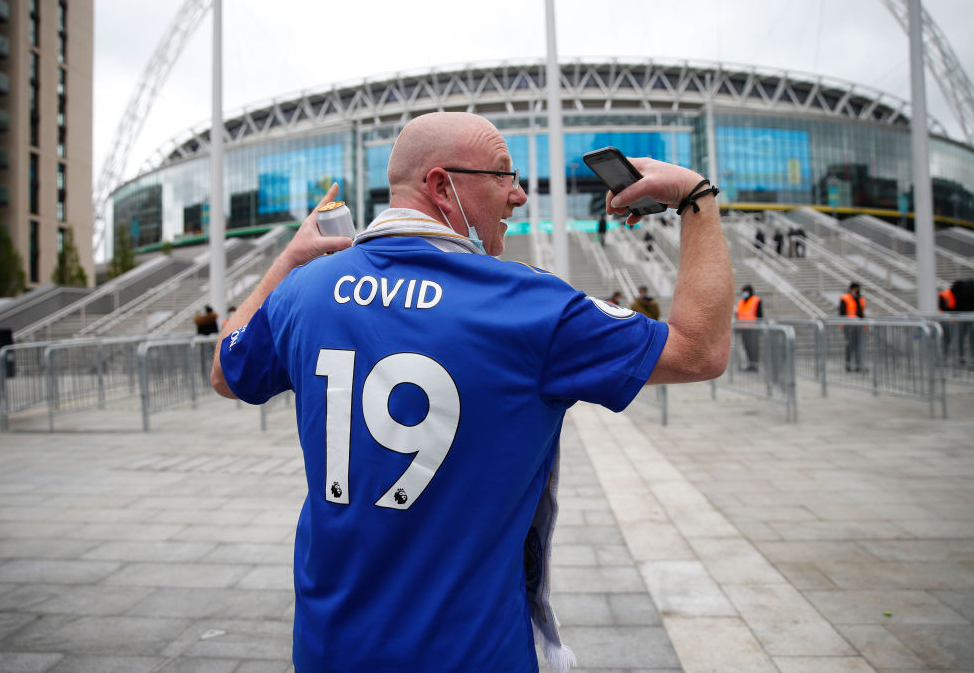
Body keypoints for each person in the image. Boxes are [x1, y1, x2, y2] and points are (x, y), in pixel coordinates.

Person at [211, 112, 733, 672]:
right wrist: (694, 199)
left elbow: (225, 370)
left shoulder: (305, 290)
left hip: (328, 649)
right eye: (503, 176)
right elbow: (701, 351)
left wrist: (290, 259)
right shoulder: (528, 306)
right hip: (472, 653)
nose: (519, 195)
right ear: (442, 186)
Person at [839, 281, 866, 372]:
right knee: (849, 345)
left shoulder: (860, 299)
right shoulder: (845, 298)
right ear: (851, 289)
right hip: (849, 325)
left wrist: (863, 325)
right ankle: (848, 364)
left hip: (858, 325)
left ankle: (858, 365)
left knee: (858, 345)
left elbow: (861, 313)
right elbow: (842, 312)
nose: (857, 290)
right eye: (855, 289)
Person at [735, 284, 763, 371]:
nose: (744, 293)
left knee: (753, 348)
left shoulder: (756, 300)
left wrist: (759, 327)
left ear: (750, 291)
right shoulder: (741, 302)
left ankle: (754, 366)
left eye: (746, 291)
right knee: (746, 348)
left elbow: (760, 315)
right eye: (743, 291)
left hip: (753, 328)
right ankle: (749, 365)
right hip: (743, 328)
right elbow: (738, 315)